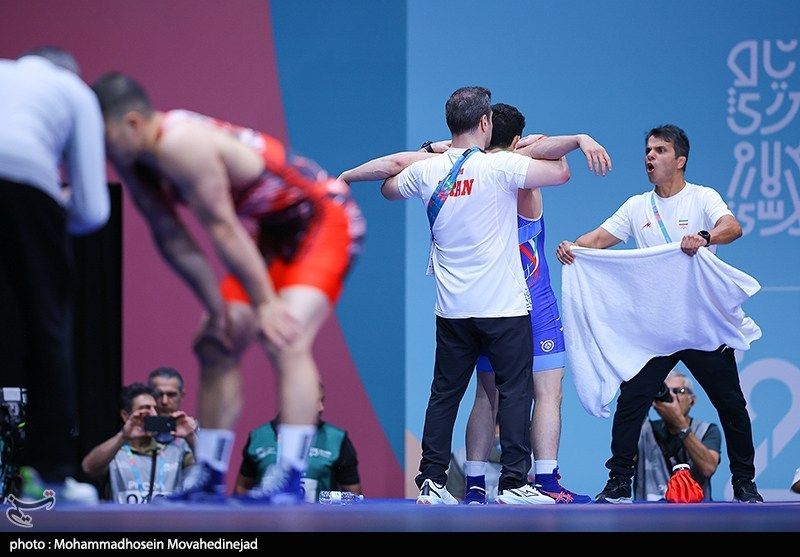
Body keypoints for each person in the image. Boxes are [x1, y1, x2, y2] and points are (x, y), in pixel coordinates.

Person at [91, 72, 365, 503]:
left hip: (323, 220)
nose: (100, 150)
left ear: (131, 123)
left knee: (285, 335)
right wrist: (216, 308)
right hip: (271, 235)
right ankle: (209, 471)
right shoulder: (134, 157)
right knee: (215, 342)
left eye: (103, 137)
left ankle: (290, 475)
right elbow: (171, 236)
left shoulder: (180, 142)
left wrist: (266, 304)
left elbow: (222, 228)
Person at [342, 86, 572, 504]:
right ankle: (515, 484)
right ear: (485, 123)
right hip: (503, 308)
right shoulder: (500, 166)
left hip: (453, 311)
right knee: (515, 392)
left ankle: (432, 481)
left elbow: (389, 181)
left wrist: (349, 176)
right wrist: (572, 140)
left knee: (445, 395)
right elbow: (559, 171)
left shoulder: (428, 172)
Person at [556, 123, 763, 503]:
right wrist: (573, 247)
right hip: (654, 332)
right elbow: (597, 240)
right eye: (648, 150)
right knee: (632, 401)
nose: (650, 156)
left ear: (680, 160)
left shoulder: (702, 197)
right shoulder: (637, 207)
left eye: (660, 150)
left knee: (732, 404)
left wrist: (705, 237)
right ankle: (619, 482)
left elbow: (732, 227)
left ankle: (745, 484)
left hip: (700, 326)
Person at [461, 104, 609, 505]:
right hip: (534, 304)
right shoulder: (524, 179)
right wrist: (576, 139)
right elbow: (558, 162)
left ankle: (474, 485)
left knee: (487, 396)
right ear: (516, 139)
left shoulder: (469, 174)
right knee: (548, 393)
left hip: (492, 304)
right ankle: (545, 480)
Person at [0, 46, 109, 501]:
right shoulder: (74, 90)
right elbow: (92, 210)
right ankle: (50, 475)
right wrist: (59, 205)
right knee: (46, 327)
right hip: (27, 188)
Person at [234, 384, 361, 503]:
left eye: (322, 400)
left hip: (318, 519)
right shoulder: (259, 437)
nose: (321, 408)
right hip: (269, 519)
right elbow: (242, 488)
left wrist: (321, 497)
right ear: (290, 400)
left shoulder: (336, 439)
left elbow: (355, 498)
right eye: (315, 401)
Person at [81, 383, 195, 503]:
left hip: (167, 515)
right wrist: (122, 436)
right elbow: (88, 468)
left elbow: (206, 466)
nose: (153, 414)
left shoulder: (174, 451)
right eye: (145, 409)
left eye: (155, 409)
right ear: (126, 416)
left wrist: (190, 436)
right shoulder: (114, 452)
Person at [635, 371, 721, 501]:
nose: (671, 396)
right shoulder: (643, 430)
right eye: (665, 391)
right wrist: (642, 405)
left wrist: (680, 424)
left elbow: (708, 468)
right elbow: (625, 457)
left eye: (678, 391)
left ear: (692, 400)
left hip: (697, 512)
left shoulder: (707, 430)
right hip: (650, 511)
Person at [147, 366, 197, 446]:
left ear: (182, 396)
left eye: (171, 395)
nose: (164, 401)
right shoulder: (136, 429)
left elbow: (208, 454)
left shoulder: (196, 431)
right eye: (158, 394)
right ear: (148, 395)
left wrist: (190, 437)